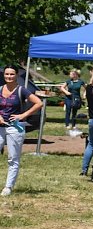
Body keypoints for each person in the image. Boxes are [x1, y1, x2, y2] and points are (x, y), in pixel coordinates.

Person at [0, 64, 44, 196]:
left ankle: (8, 187)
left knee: (13, 158)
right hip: (0, 127)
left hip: (15, 128)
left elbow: (38, 103)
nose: (9, 76)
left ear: (17, 75)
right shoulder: (0, 89)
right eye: (7, 74)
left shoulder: (21, 90)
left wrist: (23, 115)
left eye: (12, 74)